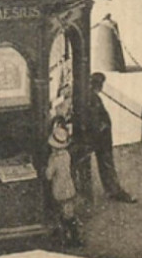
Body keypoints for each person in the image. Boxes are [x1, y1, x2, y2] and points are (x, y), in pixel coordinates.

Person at [87, 73, 137, 203]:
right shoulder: (94, 99)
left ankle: (111, 190)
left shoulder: (91, 97)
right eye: (100, 84)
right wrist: (103, 128)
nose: (101, 87)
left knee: (106, 164)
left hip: (101, 138)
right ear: (96, 84)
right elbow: (95, 120)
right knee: (107, 164)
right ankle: (114, 191)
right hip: (101, 139)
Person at [45, 118, 83, 248]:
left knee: (60, 213)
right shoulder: (67, 155)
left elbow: (49, 175)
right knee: (69, 213)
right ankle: (75, 236)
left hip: (59, 190)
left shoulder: (53, 159)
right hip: (69, 187)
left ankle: (64, 237)